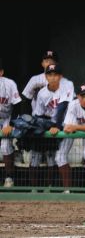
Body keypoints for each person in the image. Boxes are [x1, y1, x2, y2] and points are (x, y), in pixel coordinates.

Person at [32, 64, 74, 187]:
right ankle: (39, 189)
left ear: (60, 76)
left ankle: (67, 190)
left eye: (56, 75)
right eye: (50, 74)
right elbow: (38, 115)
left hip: (67, 125)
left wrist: (55, 125)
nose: (53, 77)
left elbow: (62, 107)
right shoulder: (42, 93)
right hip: (51, 126)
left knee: (60, 157)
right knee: (45, 156)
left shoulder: (67, 86)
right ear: (46, 77)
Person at [0, 58, 23, 187]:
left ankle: (9, 178)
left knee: (5, 146)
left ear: (1, 72)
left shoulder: (9, 84)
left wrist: (11, 125)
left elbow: (18, 104)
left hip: (7, 117)